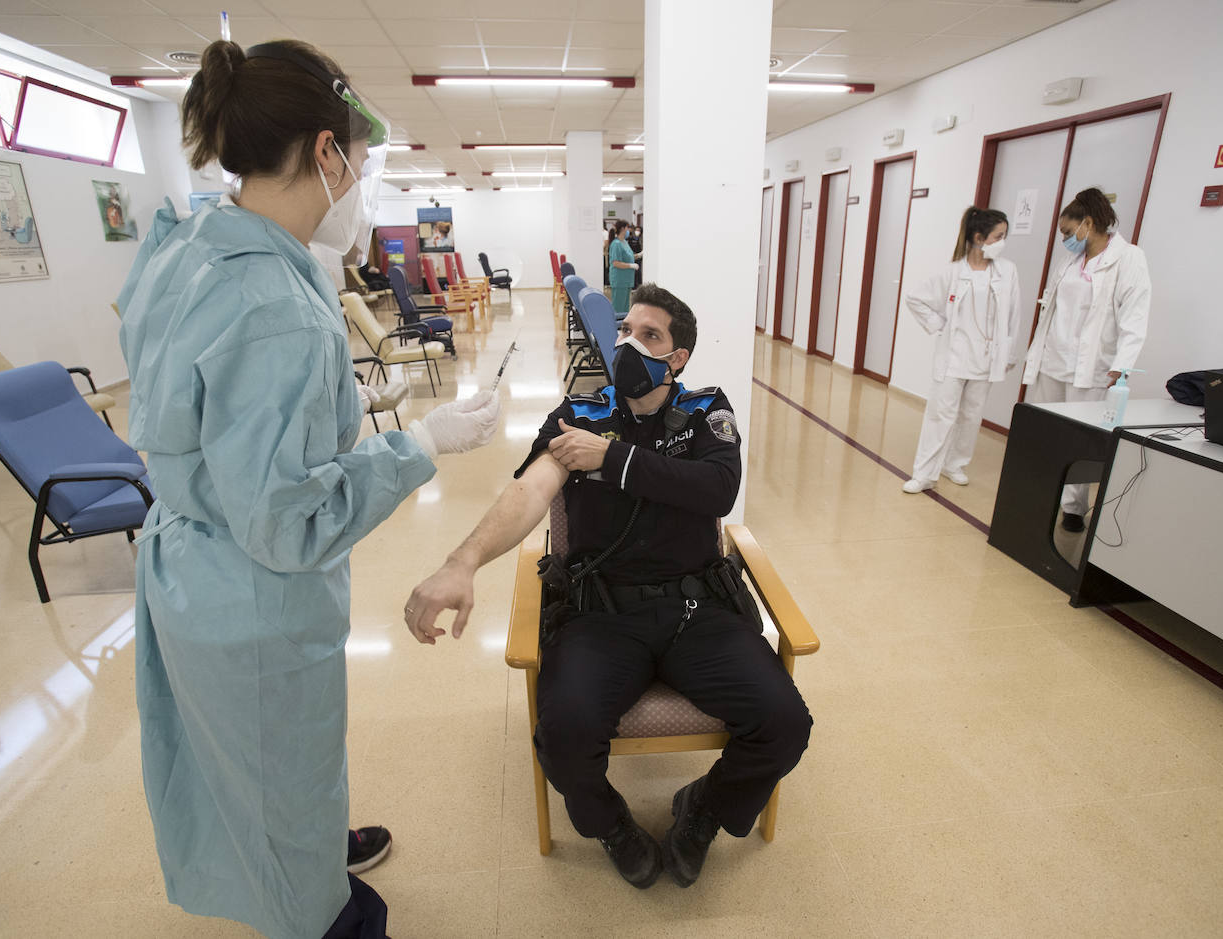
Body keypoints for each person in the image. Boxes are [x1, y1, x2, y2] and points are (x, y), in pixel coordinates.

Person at [117, 39, 500, 939]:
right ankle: (326, 913)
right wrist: (417, 444)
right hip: (252, 593)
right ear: (327, 153)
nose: (361, 186)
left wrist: (323, 406)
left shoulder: (191, 245)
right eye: (361, 164)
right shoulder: (278, 308)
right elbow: (288, 522)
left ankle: (316, 844)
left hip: (191, 567)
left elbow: (204, 405)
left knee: (258, 768)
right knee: (279, 769)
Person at [404, 283, 812, 890]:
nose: (628, 344)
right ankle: (612, 825)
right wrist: (462, 561)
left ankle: (703, 808)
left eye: (650, 336)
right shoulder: (579, 412)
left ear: (678, 358)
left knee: (786, 723)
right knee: (562, 736)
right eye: (625, 331)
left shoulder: (705, 410)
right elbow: (529, 493)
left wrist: (612, 459)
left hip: (696, 612)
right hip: (600, 617)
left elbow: (717, 490)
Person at [1021, 187, 1152, 531]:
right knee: (1048, 434)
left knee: (1080, 440)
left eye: (1068, 232)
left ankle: (1073, 508)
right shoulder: (1071, 261)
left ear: (1089, 223)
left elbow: (1135, 316)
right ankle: (1042, 494)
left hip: (1092, 368)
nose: (1065, 239)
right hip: (1053, 362)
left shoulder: (1129, 258)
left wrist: (1121, 366)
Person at [901, 207, 1023, 493]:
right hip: (954, 358)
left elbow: (1014, 315)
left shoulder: (1008, 271)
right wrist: (939, 325)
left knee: (971, 416)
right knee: (940, 415)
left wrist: (1009, 353)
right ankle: (924, 473)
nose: (1002, 242)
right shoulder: (952, 271)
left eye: (1004, 236)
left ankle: (954, 464)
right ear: (979, 238)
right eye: (998, 236)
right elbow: (915, 298)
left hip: (985, 359)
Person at [607, 220, 640, 313]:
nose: (629, 230)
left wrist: (639, 255)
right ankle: (615, 326)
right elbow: (615, 263)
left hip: (627, 280)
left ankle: (623, 325)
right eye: (627, 228)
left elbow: (628, 256)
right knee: (618, 306)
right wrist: (631, 265)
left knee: (625, 306)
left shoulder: (624, 242)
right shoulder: (616, 244)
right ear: (622, 229)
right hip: (619, 280)